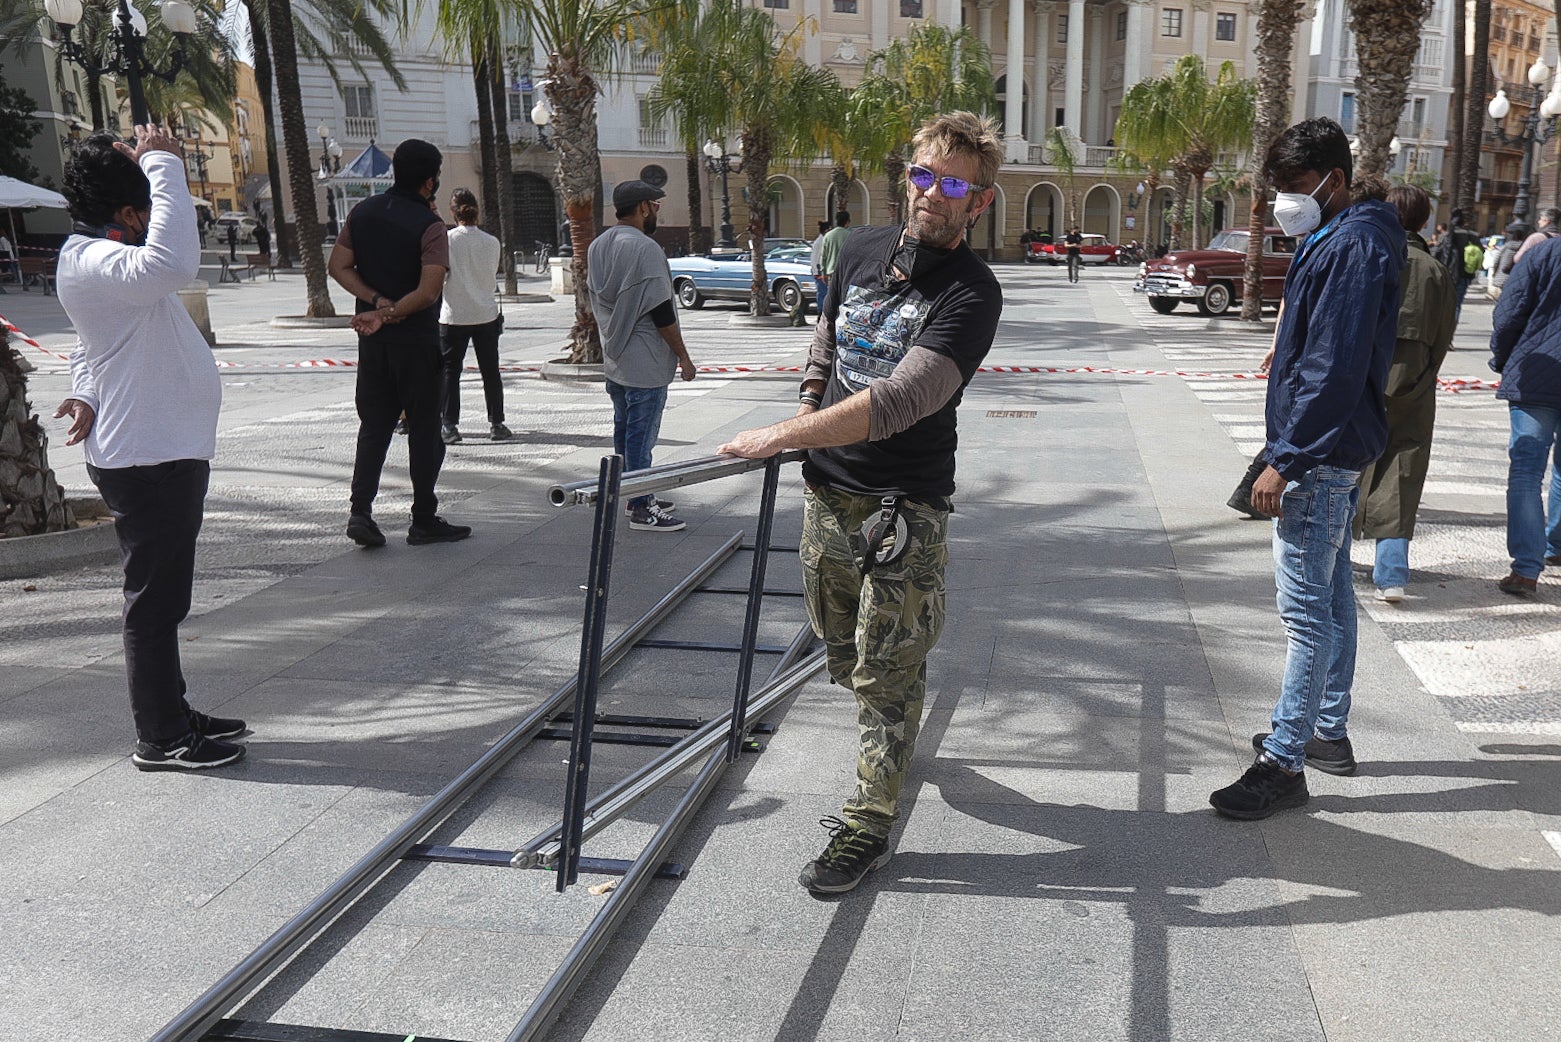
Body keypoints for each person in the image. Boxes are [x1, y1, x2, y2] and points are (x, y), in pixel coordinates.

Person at [719, 111, 1004, 894]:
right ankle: (894, 705)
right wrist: (807, 407)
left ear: (979, 201)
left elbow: (902, 398)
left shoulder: (973, 294)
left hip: (904, 504)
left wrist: (779, 432)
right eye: (922, 175)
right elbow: (826, 340)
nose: (931, 195)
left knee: (885, 669)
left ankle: (867, 823)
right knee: (838, 651)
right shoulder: (855, 250)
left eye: (952, 184)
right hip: (826, 493)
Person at [1209, 117, 1404, 820]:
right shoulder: (1348, 236)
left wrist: (1282, 462)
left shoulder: (1352, 245)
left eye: (1294, 187)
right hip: (1333, 447)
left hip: (1318, 456)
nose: (1286, 201)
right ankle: (1325, 730)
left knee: (1303, 614)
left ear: (1334, 180)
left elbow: (1334, 366)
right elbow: (1322, 348)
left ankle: (1283, 760)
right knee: (1328, 599)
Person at [53, 125, 245, 771]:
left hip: (160, 447)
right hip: (148, 456)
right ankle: (161, 737)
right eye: (149, 209)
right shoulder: (97, 260)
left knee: (164, 600)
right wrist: (164, 162)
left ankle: (172, 713)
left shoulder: (100, 262)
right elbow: (173, 263)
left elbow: (91, 346)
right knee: (155, 604)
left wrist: (85, 390)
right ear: (131, 211)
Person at [327, 138, 470, 548]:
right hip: (416, 344)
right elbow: (427, 292)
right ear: (430, 180)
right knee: (424, 429)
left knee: (374, 427)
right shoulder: (430, 227)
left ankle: (361, 513)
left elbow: (338, 265)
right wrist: (389, 312)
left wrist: (374, 303)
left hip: (373, 346)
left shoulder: (362, 211)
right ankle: (423, 518)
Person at [1354, 184, 1455, 603]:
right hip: (1414, 379)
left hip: (1365, 374)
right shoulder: (1436, 271)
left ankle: (1334, 560)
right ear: (1425, 221)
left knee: (1348, 463)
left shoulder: (1374, 259)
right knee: (1403, 467)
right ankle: (1391, 574)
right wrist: (1425, 374)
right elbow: (1444, 334)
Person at [586, 179, 697, 531]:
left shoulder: (598, 245)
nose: (658, 212)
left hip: (616, 357)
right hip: (645, 360)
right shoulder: (645, 249)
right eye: (656, 205)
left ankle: (635, 493)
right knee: (642, 436)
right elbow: (661, 311)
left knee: (625, 430)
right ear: (644, 207)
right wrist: (684, 357)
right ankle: (642, 509)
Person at [1487, 225, 1561, 596]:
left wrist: (1503, 359)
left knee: (1527, 472)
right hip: (1536, 374)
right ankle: (1557, 546)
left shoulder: (1543, 254)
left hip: (1537, 373)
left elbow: (1508, 313)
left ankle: (1526, 568)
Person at [438, 187, 509, 445]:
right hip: (485, 313)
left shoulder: (446, 240)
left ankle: (449, 425)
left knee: (450, 372)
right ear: (476, 210)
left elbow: (442, 275)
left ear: (453, 212)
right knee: (490, 371)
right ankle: (497, 423)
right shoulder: (491, 242)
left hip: (454, 314)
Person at [1433, 208, 1480, 324]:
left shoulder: (1447, 235)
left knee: (1442, 304)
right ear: (1463, 222)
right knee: (1456, 305)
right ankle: (1451, 333)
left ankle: (1442, 333)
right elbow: (1480, 252)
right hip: (1464, 275)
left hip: (1447, 274)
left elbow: (1436, 253)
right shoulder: (1472, 236)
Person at [818, 209, 851, 293]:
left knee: (833, 298)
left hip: (831, 273)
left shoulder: (828, 236)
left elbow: (823, 257)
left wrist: (823, 273)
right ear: (847, 222)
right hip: (846, 273)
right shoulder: (850, 235)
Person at [809, 218, 831, 310]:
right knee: (822, 292)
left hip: (822, 268)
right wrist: (815, 271)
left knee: (825, 292)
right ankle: (820, 311)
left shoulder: (824, 240)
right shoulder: (819, 242)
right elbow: (814, 258)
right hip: (819, 269)